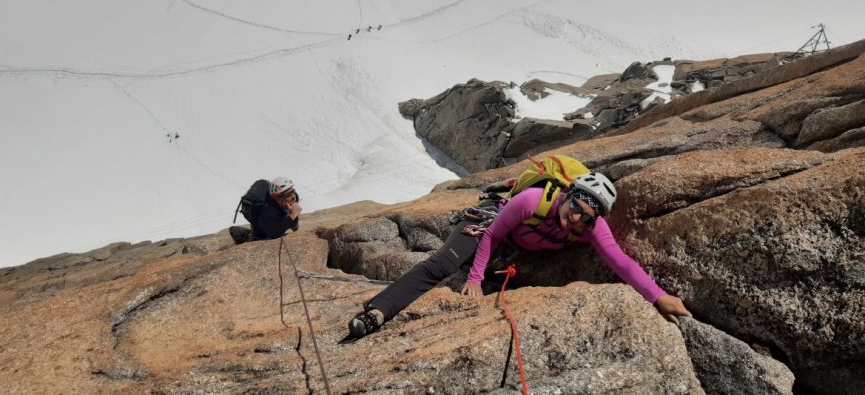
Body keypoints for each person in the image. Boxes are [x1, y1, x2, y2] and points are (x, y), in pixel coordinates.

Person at [348, 172, 691, 338]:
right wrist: (474, 278)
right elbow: (494, 233)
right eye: (575, 206)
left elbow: (621, 262)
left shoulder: (590, 227)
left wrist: (657, 297)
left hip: (516, 247)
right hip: (487, 223)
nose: (576, 218)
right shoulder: (531, 200)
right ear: (569, 194)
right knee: (443, 264)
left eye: (586, 216)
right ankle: (378, 311)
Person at [229, 177, 302, 244]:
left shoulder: (289, 198)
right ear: (277, 197)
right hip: (259, 215)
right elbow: (274, 233)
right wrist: (293, 216)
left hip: (267, 214)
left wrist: (294, 221)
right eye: (288, 194)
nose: (293, 196)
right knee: (261, 235)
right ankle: (242, 233)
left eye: (292, 191)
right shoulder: (267, 210)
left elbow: (289, 214)